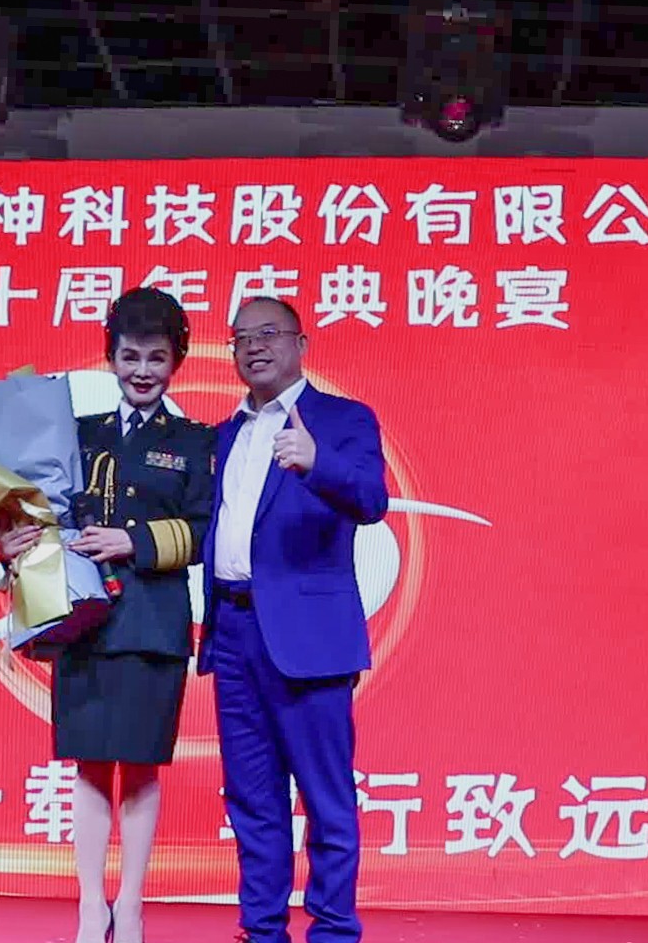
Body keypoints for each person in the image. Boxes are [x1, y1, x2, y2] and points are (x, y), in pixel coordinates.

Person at [0, 288, 214, 943]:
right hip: (82, 622)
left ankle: (133, 903)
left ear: (176, 360)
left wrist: (133, 542)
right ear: (110, 358)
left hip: (153, 623)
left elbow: (207, 532)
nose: (142, 371)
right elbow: (37, 516)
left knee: (141, 767)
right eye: (129, 356)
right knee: (89, 765)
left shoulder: (196, 442)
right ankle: (91, 907)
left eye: (156, 357)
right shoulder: (75, 435)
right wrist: (10, 543)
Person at [199, 296, 388, 943]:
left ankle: (333, 931)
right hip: (233, 632)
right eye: (241, 337)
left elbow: (372, 500)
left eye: (270, 333)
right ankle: (261, 930)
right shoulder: (224, 434)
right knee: (252, 799)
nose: (255, 346)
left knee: (325, 797)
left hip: (310, 640)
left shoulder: (342, 419)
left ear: (301, 344)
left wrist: (318, 461)